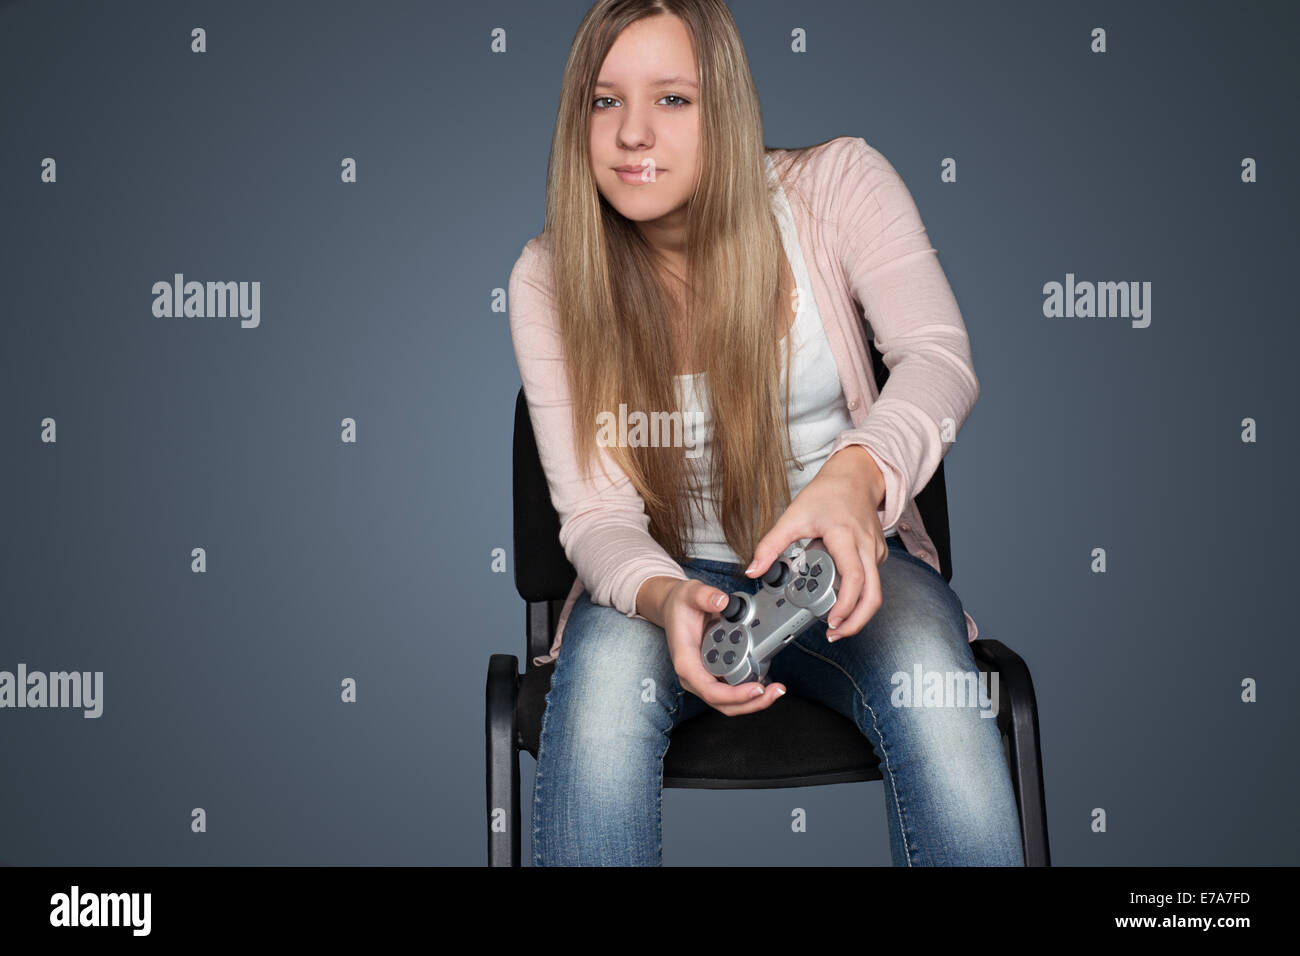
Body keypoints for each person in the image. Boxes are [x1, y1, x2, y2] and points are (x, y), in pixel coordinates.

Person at [507, 0, 1024, 866]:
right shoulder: (549, 278)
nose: (634, 133)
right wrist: (669, 598)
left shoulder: (838, 186)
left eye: (672, 99)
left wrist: (858, 476)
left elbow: (940, 360)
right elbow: (595, 519)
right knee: (596, 703)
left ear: (726, 106)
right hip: (662, 584)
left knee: (942, 702)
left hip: (849, 573)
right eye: (606, 102)